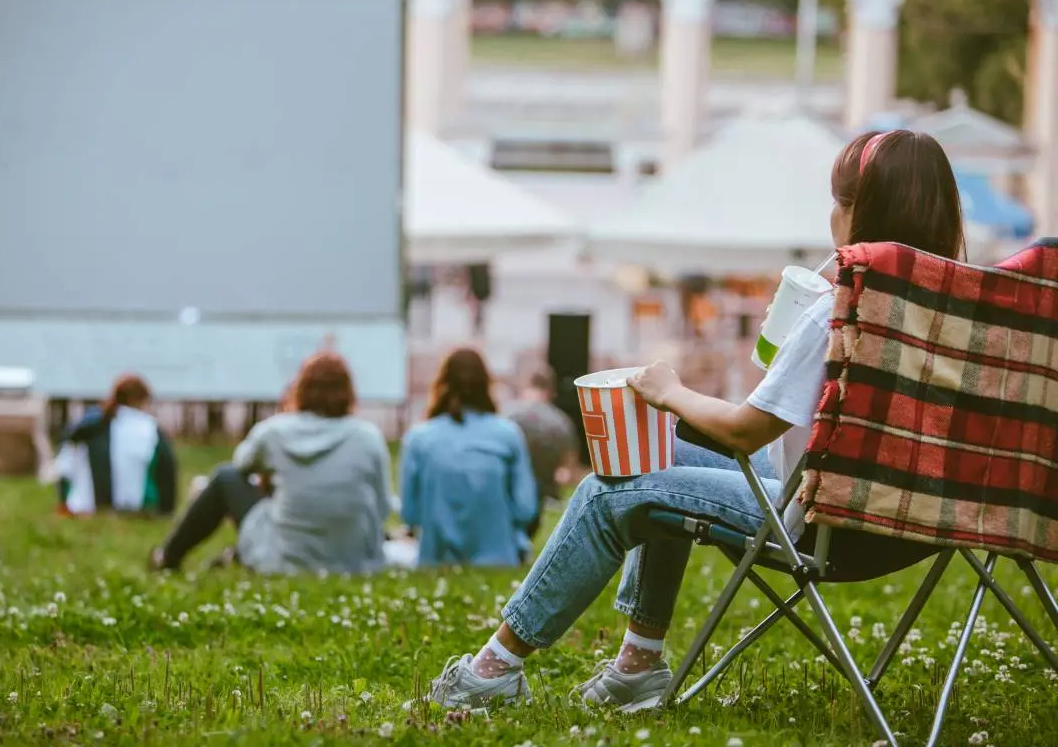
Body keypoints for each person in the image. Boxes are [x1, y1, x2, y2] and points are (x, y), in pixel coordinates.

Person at [424, 130, 962, 711]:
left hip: (821, 522)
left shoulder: (843, 314)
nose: (832, 214)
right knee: (656, 458)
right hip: (909, 524)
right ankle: (636, 665)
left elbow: (744, 430)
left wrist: (670, 392)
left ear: (861, 213)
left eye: (841, 201)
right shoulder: (954, 315)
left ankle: (491, 671)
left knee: (610, 491)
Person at [151, 352, 393, 575]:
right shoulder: (368, 437)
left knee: (225, 477)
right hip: (355, 562)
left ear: (300, 389)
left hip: (284, 560)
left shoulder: (275, 432)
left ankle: (169, 556)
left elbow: (241, 464)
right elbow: (382, 507)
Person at [400, 348, 537, 567]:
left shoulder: (418, 439)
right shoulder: (508, 435)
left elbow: (410, 514)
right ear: (486, 385)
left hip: (436, 563)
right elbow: (525, 509)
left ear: (442, 384)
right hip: (499, 562)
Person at [56, 374, 177, 516]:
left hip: (81, 509)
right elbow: (166, 474)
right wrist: (165, 511)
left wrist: (64, 502)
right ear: (140, 400)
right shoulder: (150, 429)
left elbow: (63, 470)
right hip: (135, 511)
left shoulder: (84, 425)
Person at [503, 367, 578, 539]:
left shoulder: (509, 416)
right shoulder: (562, 422)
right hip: (546, 496)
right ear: (551, 391)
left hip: (512, 492)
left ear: (526, 386)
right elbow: (566, 471)